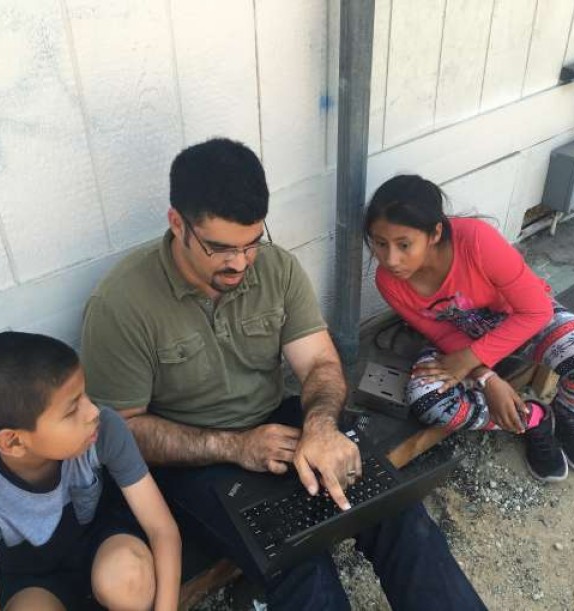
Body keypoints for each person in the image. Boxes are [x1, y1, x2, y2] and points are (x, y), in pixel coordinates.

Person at [80, 138, 486, 610]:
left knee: (399, 515)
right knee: (299, 563)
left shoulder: (275, 268)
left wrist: (319, 427)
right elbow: (121, 432)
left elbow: (319, 363)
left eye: (251, 243)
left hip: (279, 422)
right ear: (178, 224)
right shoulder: (121, 304)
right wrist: (233, 446)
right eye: (221, 248)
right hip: (192, 459)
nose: (240, 262)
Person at [363, 174, 574, 482]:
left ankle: (570, 416)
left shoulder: (476, 240)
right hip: (457, 339)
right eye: (380, 244)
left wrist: (474, 357)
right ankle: (533, 419)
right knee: (427, 400)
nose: (391, 259)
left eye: (404, 245)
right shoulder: (388, 281)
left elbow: (536, 310)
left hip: (516, 321)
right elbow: (441, 333)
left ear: (434, 233)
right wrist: (488, 379)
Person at [0, 331, 181, 611]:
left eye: (84, 394)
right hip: (32, 582)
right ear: (13, 441)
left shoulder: (102, 429)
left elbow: (161, 528)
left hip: (102, 545)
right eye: (72, 410)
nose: (92, 411)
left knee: (130, 580)